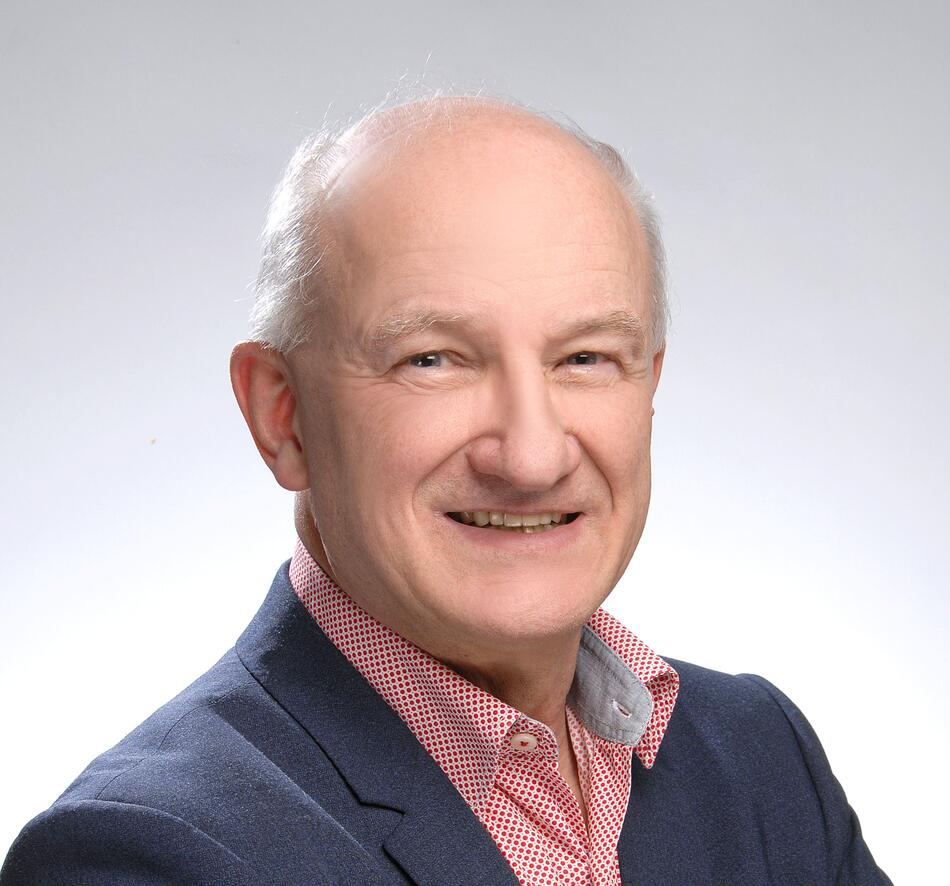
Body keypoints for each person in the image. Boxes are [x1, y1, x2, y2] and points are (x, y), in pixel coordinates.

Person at [0, 94, 891, 886]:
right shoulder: (144, 855)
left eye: (585, 358)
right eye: (433, 359)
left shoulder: (762, 758)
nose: (532, 457)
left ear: (648, 386)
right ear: (284, 416)